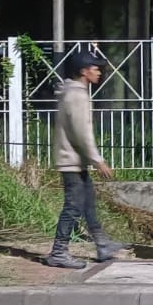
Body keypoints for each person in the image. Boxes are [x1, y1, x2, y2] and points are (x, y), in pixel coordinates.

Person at [45, 50, 125, 269]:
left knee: (87, 201)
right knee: (73, 206)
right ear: (83, 71)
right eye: (95, 68)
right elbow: (82, 132)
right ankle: (58, 252)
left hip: (75, 159)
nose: (99, 73)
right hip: (71, 159)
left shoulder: (73, 91)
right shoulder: (77, 95)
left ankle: (102, 244)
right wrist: (97, 160)